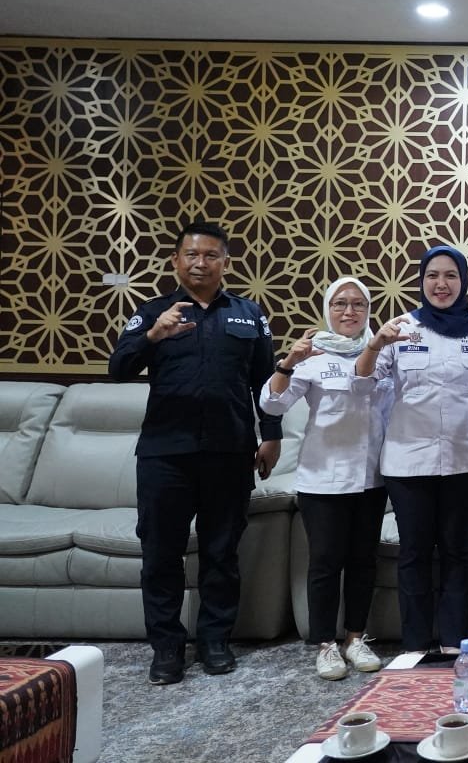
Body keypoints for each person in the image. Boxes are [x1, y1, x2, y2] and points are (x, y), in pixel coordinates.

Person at [108, 220, 282, 685]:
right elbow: (118, 369)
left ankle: (214, 641)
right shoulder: (153, 313)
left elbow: (265, 383)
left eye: (210, 255)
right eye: (191, 254)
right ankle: (166, 648)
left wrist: (272, 434)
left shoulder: (248, 314)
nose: (200, 263)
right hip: (166, 454)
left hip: (230, 451)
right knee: (161, 553)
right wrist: (152, 337)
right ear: (176, 261)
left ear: (225, 262)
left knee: (222, 551)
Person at [355, 246, 468, 653]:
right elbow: (364, 384)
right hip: (407, 463)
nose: (441, 284)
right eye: (432, 276)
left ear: (464, 281)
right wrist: (374, 344)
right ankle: (416, 644)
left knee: (458, 552)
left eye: (450, 276)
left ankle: (455, 643)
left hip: (465, 459)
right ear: (421, 282)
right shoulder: (400, 328)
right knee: (415, 554)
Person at [259, 277, 391, 680]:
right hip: (322, 478)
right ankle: (325, 645)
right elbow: (272, 404)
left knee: (363, 561)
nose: (349, 311)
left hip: (371, 476)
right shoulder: (312, 354)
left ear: (368, 310)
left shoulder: (385, 351)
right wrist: (288, 362)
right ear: (327, 309)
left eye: (358, 304)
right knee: (325, 562)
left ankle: (355, 638)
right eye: (340, 304)